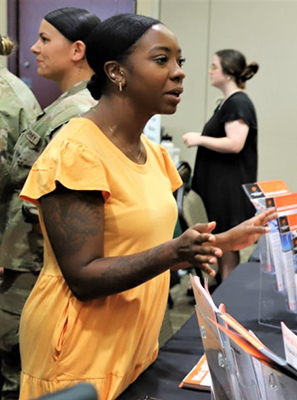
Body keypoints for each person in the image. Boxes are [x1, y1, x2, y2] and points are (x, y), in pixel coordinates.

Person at [17, 14, 275, 400]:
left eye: (180, 62)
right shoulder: (77, 151)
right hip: (79, 354)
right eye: (161, 60)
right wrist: (175, 251)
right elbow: (83, 277)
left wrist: (218, 240)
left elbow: (142, 247)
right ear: (116, 72)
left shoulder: (154, 156)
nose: (178, 74)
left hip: (135, 344)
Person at [1, 8, 100, 400]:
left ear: (77, 50)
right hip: (26, 260)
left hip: (33, 264)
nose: (33, 48)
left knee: (17, 371)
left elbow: (49, 204)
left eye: (45, 39)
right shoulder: (67, 105)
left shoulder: (75, 114)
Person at [182, 49, 259, 280]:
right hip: (221, 186)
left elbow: (235, 143)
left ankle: (224, 300)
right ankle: (220, 290)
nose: (210, 70)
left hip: (228, 189)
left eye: (214, 66)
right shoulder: (229, 102)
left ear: (228, 73)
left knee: (228, 245)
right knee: (224, 244)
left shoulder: (238, 102)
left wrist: (199, 139)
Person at [0, 34, 41, 400]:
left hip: (10, 245)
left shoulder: (4, 98)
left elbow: (7, 182)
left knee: (10, 360)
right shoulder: (10, 88)